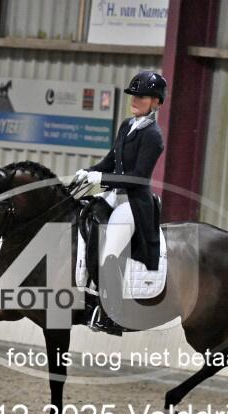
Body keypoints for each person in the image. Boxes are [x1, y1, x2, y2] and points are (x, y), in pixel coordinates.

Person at [73, 70, 166, 333]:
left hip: (134, 203)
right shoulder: (127, 125)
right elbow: (110, 160)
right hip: (113, 196)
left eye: (142, 96)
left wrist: (101, 178)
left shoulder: (153, 136)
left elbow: (138, 177)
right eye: (134, 95)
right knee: (82, 222)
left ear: (156, 102)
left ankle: (112, 315)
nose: (135, 100)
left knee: (111, 250)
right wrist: (88, 171)